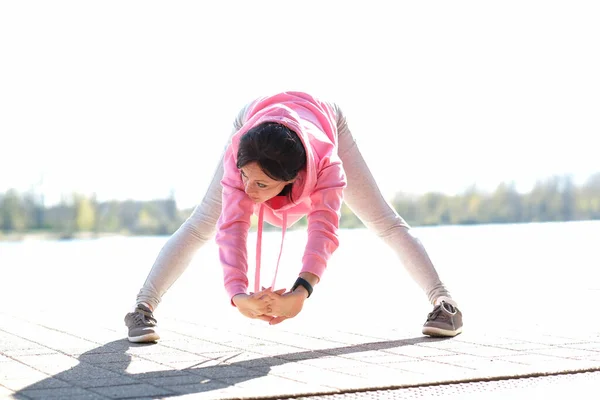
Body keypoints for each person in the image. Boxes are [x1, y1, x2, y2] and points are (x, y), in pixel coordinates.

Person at [124, 91, 463, 343]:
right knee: (202, 223)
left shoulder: (328, 165)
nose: (249, 190)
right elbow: (232, 226)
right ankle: (143, 308)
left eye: (262, 184)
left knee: (384, 223)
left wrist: (300, 292)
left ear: (293, 179)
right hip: (255, 118)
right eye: (245, 178)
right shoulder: (239, 156)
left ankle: (445, 304)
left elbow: (324, 230)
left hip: (325, 118)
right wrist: (237, 293)